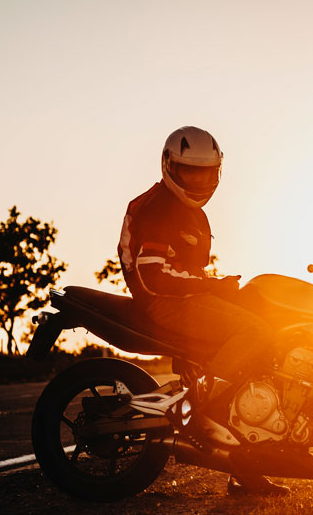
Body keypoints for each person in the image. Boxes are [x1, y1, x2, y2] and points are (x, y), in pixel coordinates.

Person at [118, 125, 287, 496]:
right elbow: (156, 275)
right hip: (163, 301)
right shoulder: (159, 206)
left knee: (266, 328)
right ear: (170, 167)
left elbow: (188, 271)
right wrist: (214, 286)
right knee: (256, 332)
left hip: (184, 298)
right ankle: (198, 411)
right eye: (190, 170)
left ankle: (245, 465)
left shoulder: (194, 214)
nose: (198, 179)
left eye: (206, 172)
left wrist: (224, 287)